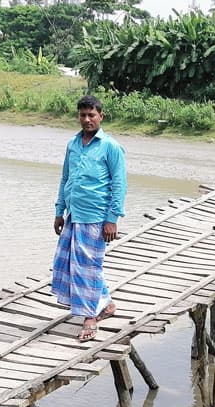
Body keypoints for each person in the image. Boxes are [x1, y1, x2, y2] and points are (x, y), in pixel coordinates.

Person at [52, 94, 127, 342]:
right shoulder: (73, 145)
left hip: (96, 217)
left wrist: (112, 219)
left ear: (101, 116)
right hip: (74, 214)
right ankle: (106, 305)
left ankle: (90, 318)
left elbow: (119, 185)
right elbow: (65, 178)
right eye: (83, 115)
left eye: (91, 115)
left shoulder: (110, 147)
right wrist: (59, 211)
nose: (87, 119)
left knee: (88, 267)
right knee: (74, 264)